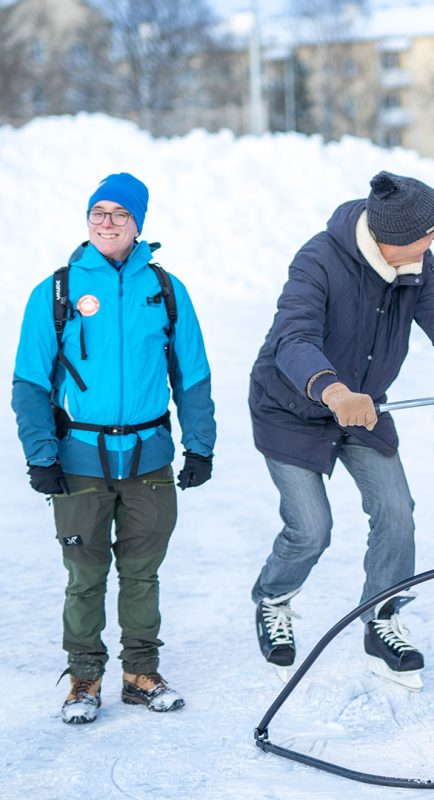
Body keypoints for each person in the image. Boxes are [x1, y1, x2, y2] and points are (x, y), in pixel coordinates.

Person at [249, 171, 434, 690]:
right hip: (294, 406)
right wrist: (333, 390)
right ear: (391, 236)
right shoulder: (318, 260)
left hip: (364, 407)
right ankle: (274, 598)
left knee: (397, 512)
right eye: (430, 231)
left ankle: (382, 618)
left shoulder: (414, 263)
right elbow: (294, 337)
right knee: (311, 528)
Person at [12, 173, 216, 724]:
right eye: (97, 212)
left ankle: (139, 674)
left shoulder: (165, 290)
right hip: (79, 458)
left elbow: (192, 374)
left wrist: (200, 446)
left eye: (119, 214)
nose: (106, 222)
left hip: (149, 456)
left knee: (142, 572)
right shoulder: (56, 291)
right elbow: (30, 382)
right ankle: (84, 677)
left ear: (138, 225)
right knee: (84, 574)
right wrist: (40, 455)